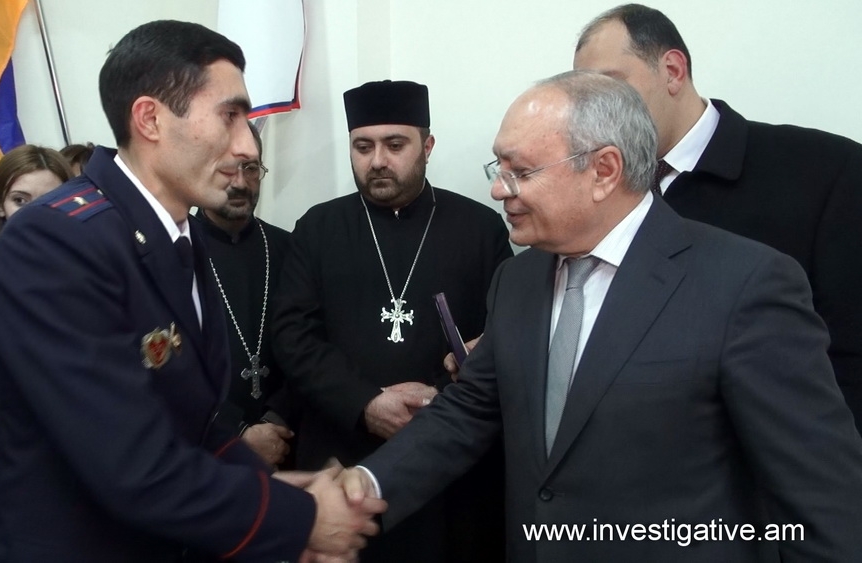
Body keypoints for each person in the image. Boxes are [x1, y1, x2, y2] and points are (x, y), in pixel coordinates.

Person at [340, 70, 862, 562]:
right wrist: (359, 491)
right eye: (499, 169)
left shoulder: (745, 284)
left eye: (521, 172)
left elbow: (820, 494)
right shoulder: (516, 281)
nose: (499, 189)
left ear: (604, 171)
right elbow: (469, 411)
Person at [0, 20, 383, 563]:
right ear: (150, 119)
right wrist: (303, 520)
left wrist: (277, 493)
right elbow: (130, 464)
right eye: (230, 116)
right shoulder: (55, 241)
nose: (246, 145)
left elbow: (196, 424)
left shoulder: (175, 235)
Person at [573, 3, 862, 433]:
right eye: (587, 99)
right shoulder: (595, 192)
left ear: (673, 71)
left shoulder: (824, 170)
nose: (598, 115)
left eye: (612, 87)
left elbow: (851, 348)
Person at [273, 79, 512, 561]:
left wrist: (437, 402)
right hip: (341, 452)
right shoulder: (318, 227)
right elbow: (292, 335)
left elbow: (503, 336)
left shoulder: (479, 227)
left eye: (395, 145)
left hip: (446, 459)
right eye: (363, 147)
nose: (377, 160)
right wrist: (364, 401)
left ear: (427, 146)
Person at [194, 122, 297, 467]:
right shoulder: (173, 252)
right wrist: (237, 431)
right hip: (208, 448)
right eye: (226, 168)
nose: (239, 182)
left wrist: (277, 419)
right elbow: (172, 369)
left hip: (288, 437)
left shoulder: (289, 247)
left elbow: (311, 341)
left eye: (250, 168)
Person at [0, 144, 73, 360]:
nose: (34, 214)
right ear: (0, 205)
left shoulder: (97, 266)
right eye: (20, 201)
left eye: (51, 201)